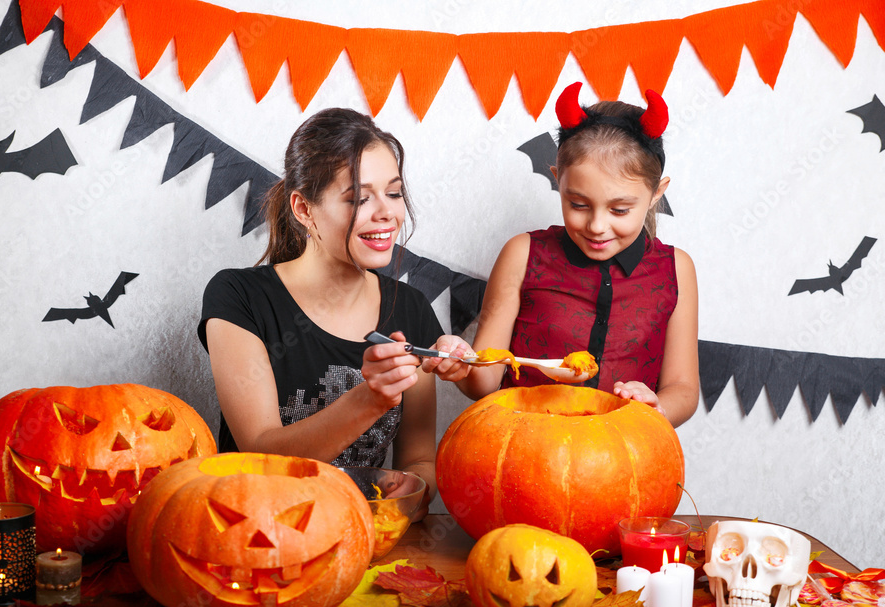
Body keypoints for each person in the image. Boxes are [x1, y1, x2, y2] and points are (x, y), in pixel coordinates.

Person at [198, 108, 442, 516]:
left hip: (357, 539)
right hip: (255, 535)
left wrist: (412, 493)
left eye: (394, 193)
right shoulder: (239, 296)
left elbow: (419, 462)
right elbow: (262, 452)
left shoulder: (412, 308)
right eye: (360, 198)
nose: (387, 213)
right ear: (304, 209)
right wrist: (370, 400)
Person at [425, 82, 699, 427]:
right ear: (558, 181)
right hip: (521, 446)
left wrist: (655, 405)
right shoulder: (522, 254)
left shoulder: (676, 269)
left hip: (623, 452)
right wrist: (463, 365)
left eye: (619, 210)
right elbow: (486, 381)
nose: (597, 225)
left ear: (657, 192)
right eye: (578, 204)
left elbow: (684, 389)